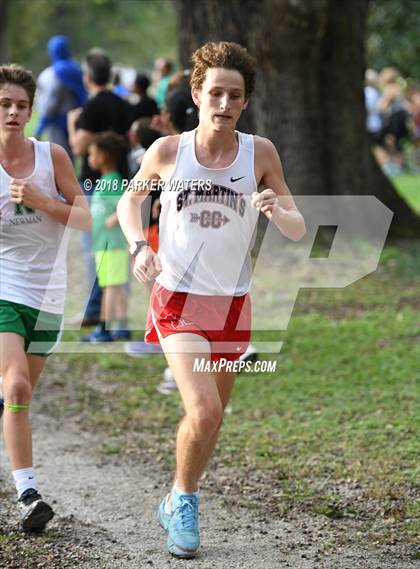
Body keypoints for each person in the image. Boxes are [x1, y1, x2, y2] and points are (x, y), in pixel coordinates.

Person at [117, 41, 305, 558]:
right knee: (201, 410)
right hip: (177, 296)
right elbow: (129, 202)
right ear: (197, 94)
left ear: (245, 102)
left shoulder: (259, 153)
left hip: (231, 303)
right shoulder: (168, 152)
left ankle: (177, 493)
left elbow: (296, 227)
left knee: (215, 413)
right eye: (215, 92)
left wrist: (274, 208)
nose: (224, 103)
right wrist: (138, 246)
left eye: (235, 95)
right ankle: (184, 500)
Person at [0, 64, 91, 531]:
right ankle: (28, 495)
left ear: (32, 111)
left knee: (19, 396)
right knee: (15, 386)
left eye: (21, 105)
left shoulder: (51, 155)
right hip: (4, 290)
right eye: (4, 104)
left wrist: (42, 201)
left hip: (49, 295)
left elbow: (83, 217)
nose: (13, 112)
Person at [67, 48, 132, 328]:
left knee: (95, 249)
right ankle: (115, 314)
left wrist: (72, 124)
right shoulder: (122, 103)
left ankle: (96, 310)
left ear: (87, 77)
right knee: (117, 251)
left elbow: (79, 146)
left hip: (97, 184)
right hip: (123, 180)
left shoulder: (92, 107)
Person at [83, 131, 130, 342]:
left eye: (92, 153)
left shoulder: (113, 181)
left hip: (113, 245)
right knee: (115, 286)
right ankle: (121, 327)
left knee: (109, 287)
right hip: (104, 245)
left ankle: (104, 329)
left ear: (104, 156)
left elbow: (126, 205)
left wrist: (115, 217)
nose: (89, 158)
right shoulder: (105, 180)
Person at [34, 35, 87, 156]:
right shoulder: (76, 69)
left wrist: (40, 126)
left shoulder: (52, 74)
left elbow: (50, 105)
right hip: (76, 119)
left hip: (55, 124)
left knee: (58, 159)